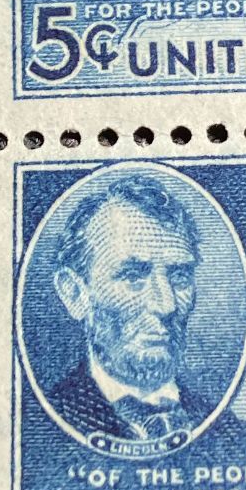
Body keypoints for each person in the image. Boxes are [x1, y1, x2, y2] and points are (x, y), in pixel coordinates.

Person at [46, 171, 219, 443]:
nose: (166, 305)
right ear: (75, 294)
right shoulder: (42, 420)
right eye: (133, 276)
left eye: (179, 277)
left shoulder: (226, 427)